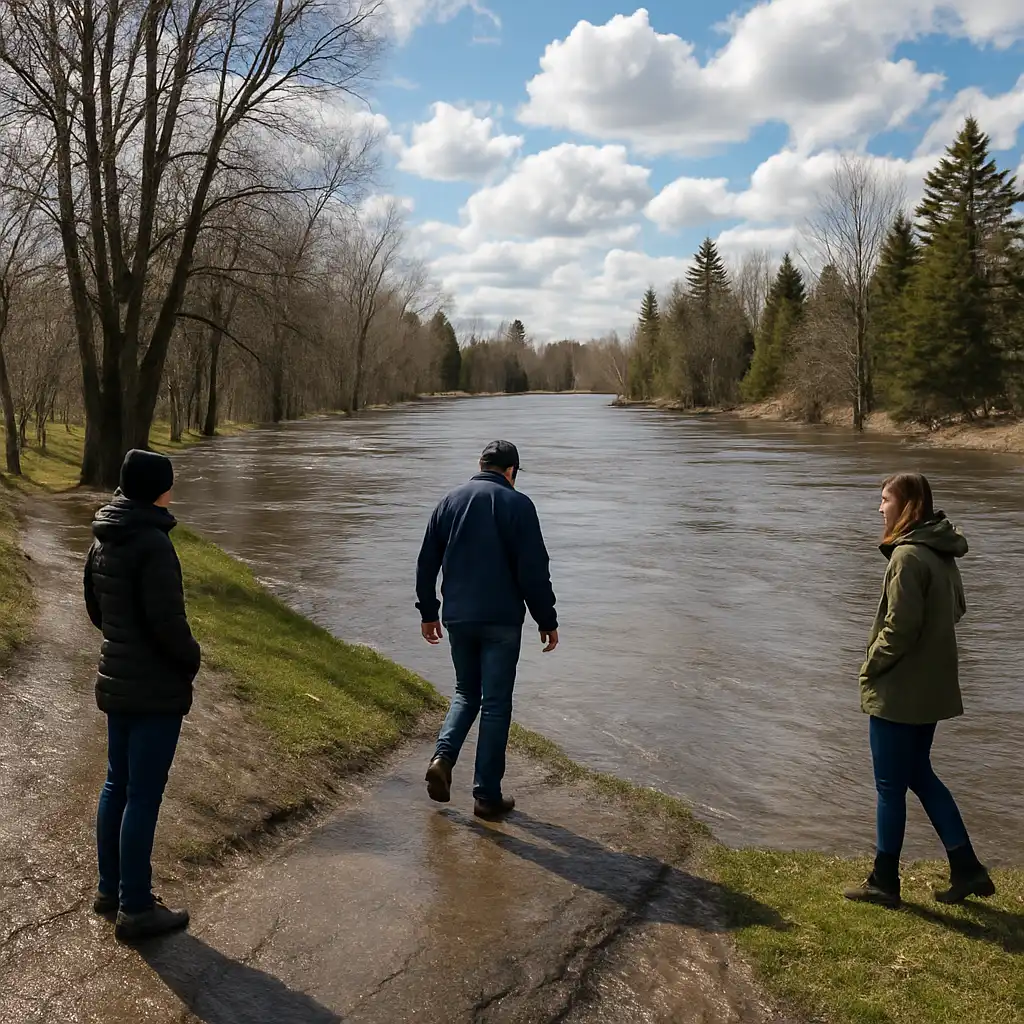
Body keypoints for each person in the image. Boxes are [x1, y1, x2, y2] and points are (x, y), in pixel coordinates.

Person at [845, 472, 995, 908]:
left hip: (899, 692)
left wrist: (870, 666)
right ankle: (968, 868)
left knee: (890, 786)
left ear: (907, 505)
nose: (880, 508)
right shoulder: (941, 553)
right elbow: (958, 610)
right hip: (930, 689)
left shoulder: (907, 556)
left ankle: (884, 881)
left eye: (885, 499)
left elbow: (899, 628)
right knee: (919, 775)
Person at [84, 449, 201, 942]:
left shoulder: (104, 537)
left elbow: (96, 610)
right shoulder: (152, 542)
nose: (173, 491)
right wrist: (190, 658)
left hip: (118, 681)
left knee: (117, 786)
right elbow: (168, 623)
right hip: (153, 689)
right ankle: (135, 907)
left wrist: (124, 643)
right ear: (157, 488)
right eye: (170, 483)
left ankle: (110, 890)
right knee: (143, 796)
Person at [416, 440, 558, 820]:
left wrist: (428, 612)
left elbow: (426, 563)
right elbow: (533, 571)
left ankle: (442, 759)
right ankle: (486, 796)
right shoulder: (519, 504)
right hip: (501, 621)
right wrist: (547, 619)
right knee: (495, 705)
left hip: (458, 617)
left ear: (479, 464)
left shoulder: (449, 501)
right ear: (511, 471)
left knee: (466, 692)